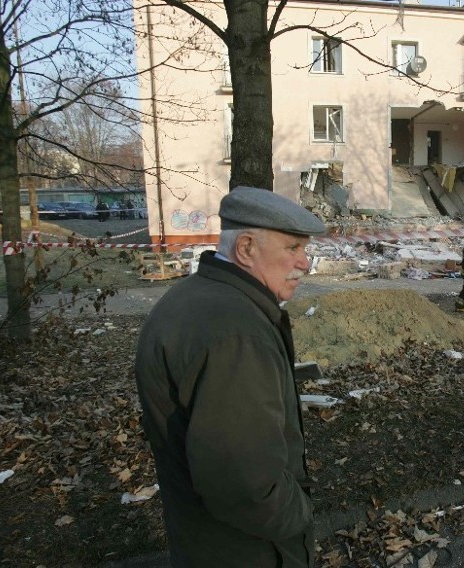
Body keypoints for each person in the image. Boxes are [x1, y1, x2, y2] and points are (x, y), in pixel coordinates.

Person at [135, 186, 325, 567]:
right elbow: (245, 486)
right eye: (292, 248)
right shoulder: (237, 334)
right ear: (247, 248)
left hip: (204, 538)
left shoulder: (193, 297)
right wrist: (299, 516)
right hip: (247, 551)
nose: (305, 263)